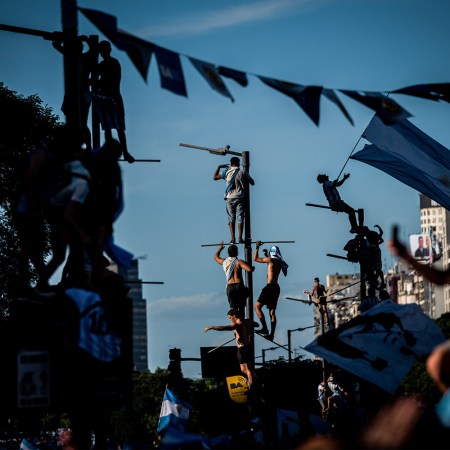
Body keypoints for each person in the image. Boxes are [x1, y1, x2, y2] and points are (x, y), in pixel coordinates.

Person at [93, 40, 135, 163]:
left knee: (118, 127)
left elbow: (109, 80)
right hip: (105, 98)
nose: (102, 53)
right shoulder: (103, 64)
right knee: (108, 128)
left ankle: (125, 152)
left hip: (113, 98)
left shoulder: (113, 63)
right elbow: (96, 76)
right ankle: (112, 151)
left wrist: (96, 83)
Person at [204, 308, 257, 388]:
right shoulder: (248, 321)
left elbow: (224, 328)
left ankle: (252, 386)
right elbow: (256, 324)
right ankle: (256, 380)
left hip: (242, 348)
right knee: (244, 370)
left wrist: (211, 327)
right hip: (247, 347)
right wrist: (248, 330)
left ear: (234, 316)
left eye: (230, 318)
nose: (230, 320)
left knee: (246, 369)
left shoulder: (237, 324)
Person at [213, 156, 255, 244]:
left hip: (229, 197)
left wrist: (219, 167)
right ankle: (240, 238)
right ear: (239, 163)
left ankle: (233, 238)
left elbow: (215, 177)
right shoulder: (243, 171)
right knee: (240, 218)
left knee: (231, 219)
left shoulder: (227, 171)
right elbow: (252, 182)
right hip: (240, 197)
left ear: (231, 163)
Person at [253, 241, 288, 340]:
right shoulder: (279, 263)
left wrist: (257, 247)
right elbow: (270, 268)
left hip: (269, 287)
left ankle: (264, 328)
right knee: (272, 312)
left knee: (257, 307)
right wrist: (266, 255)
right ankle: (272, 334)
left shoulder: (270, 260)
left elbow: (255, 259)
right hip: (276, 288)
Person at [214, 241, 255, 316]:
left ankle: (236, 324)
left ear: (228, 253)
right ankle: (242, 323)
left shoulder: (224, 261)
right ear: (237, 253)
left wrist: (219, 249)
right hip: (238, 285)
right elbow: (249, 269)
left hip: (230, 286)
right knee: (242, 307)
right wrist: (252, 267)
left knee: (233, 309)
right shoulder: (239, 261)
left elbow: (216, 258)